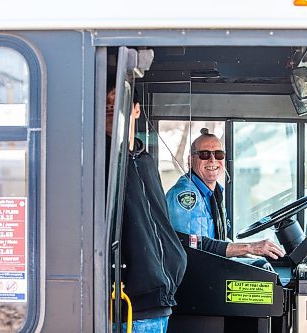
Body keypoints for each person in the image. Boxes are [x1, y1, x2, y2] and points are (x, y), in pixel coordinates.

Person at [106, 87, 187, 333]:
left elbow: (158, 226)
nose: (111, 110)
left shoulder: (144, 161)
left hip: (159, 298)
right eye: (106, 106)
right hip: (129, 303)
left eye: (117, 102)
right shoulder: (102, 163)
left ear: (136, 109)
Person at [166, 128, 285, 262]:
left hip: (212, 266)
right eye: (204, 154)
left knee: (262, 265)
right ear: (191, 159)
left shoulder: (214, 192)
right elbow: (196, 246)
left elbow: (219, 239)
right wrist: (249, 247)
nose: (212, 160)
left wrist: (249, 255)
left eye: (218, 154)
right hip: (194, 275)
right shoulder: (186, 196)